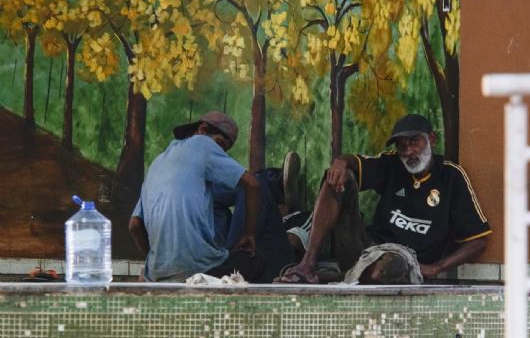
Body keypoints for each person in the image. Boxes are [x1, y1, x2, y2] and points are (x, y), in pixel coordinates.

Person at [276, 113, 492, 284]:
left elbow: (478, 242)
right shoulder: (392, 164)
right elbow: (355, 163)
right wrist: (340, 162)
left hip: (405, 260)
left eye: (414, 142)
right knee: (339, 178)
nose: (408, 151)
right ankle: (307, 265)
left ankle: (327, 278)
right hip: (366, 248)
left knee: (386, 270)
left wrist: (436, 268)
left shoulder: (451, 176)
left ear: (431, 139)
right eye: (402, 146)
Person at [129, 111, 292, 282]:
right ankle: (275, 181)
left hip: (157, 274)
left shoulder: (156, 164)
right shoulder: (202, 143)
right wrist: (249, 233)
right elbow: (252, 184)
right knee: (255, 259)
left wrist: (156, 260)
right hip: (199, 268)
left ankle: (272, 181)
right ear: (203, 129)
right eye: (220, 145)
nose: (220, 152)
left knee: (216, 200)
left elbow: (134, 225)